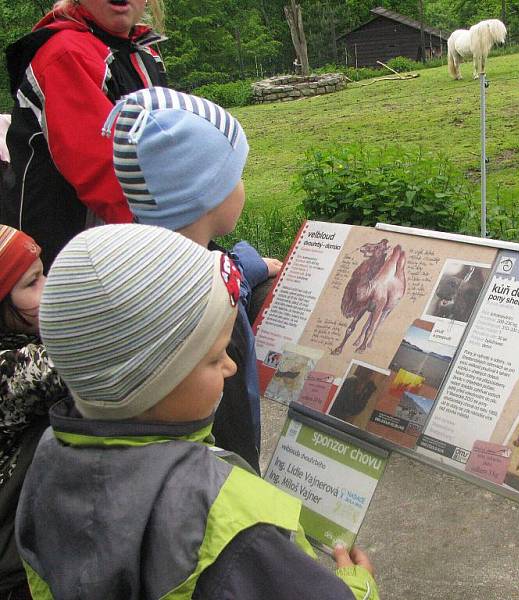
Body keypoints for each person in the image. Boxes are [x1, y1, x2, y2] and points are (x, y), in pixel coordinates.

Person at [15, 224, 379, 599]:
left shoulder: (49, 455)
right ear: (155, 381)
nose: (230, 367)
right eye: (215, 355)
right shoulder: (228, 522)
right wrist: (358, 588)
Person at [102, 87, 280, 472]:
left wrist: (250, 264)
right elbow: (225, 285)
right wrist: (249, 263)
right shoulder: (208, 291)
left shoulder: (136, 262)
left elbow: (227, 277)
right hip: (217, 463)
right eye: (237, 174)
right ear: (208, 194)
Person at [2, 0, 168, 271]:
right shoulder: (65, 53)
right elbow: (107, 176)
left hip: (116, 239)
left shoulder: (143, 51)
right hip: (60, 256)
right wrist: (179, 246)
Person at [0, 226, 69, 600]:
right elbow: (77, 350)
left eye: (45, 273)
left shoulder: (23, 340)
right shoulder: (11, 371)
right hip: (15, 571)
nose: (49, 287)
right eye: (32, 282)